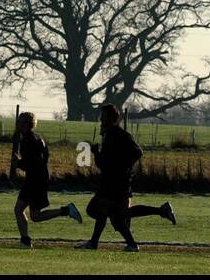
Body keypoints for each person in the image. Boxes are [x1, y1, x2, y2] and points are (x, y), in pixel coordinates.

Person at [75, 104, 176, 252]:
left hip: (117, 182)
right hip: (110, 181)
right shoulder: (107, 135)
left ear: (111, 118)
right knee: (114, 214)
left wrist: (122, 168)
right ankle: (159, 214)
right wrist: (97, 153)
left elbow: (137, 152)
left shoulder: (120, 135)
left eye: (103, 117)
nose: (100, 119)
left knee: (101, 209)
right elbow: (104, 164)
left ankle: (94, 243)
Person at [11, 112, 82, 247]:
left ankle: (66, 210)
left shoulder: (27, 140)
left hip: (35, 180)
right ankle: (25, 241)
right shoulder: (38, 138)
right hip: (38, 178)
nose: (17, 123)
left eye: (20, 121)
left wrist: (18, 163)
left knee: (33, 215)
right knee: (20, 210)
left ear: (26, 124)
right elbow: (43, 158)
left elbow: (31, 163)